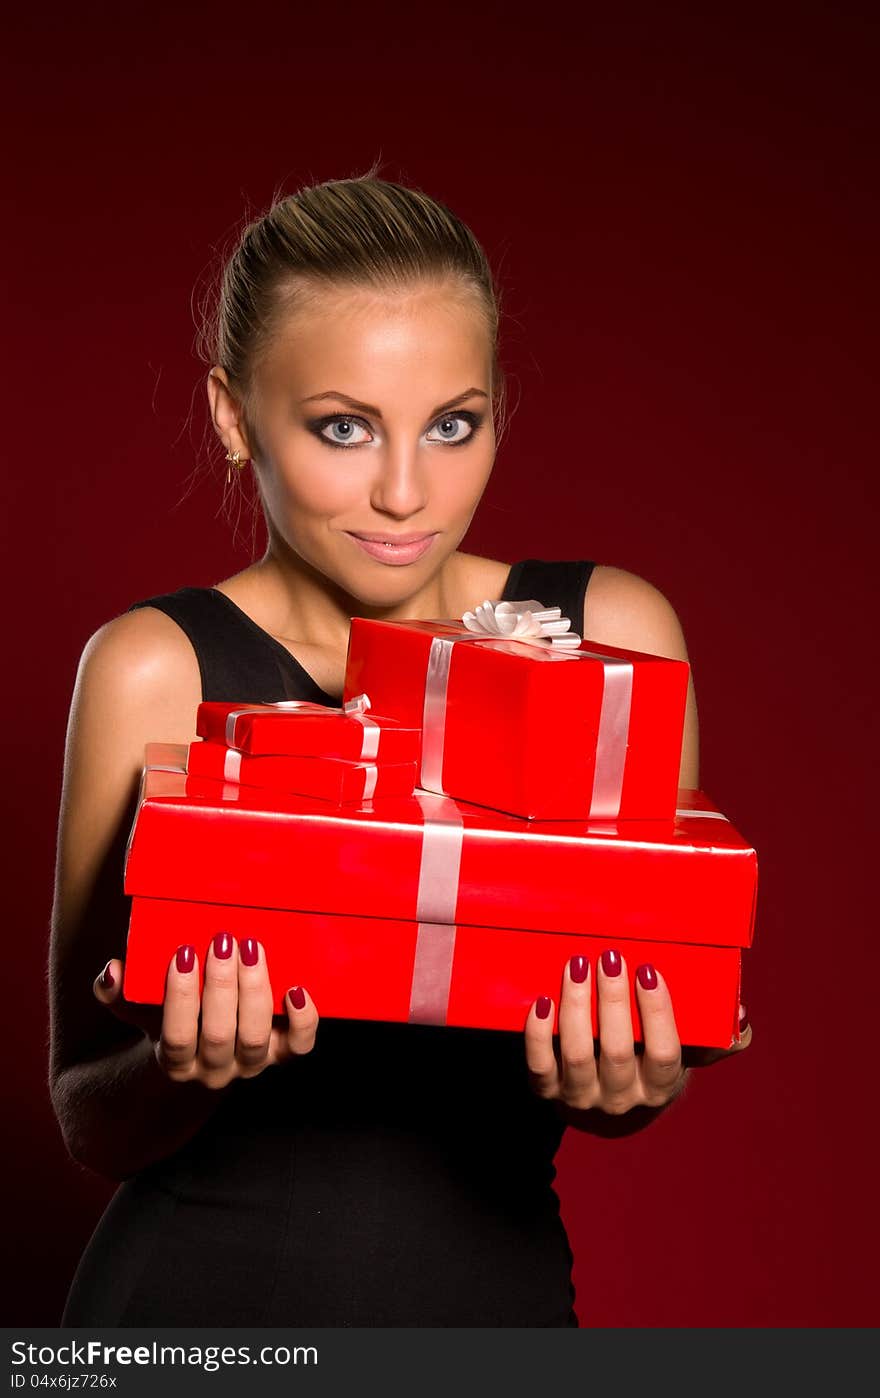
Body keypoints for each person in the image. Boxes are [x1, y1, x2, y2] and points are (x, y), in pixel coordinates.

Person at [49, 168, 751, 1327]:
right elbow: (86, 1110)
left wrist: (627, 1080)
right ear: (231, 415)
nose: (404, 493)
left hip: (487, 1305)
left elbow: (631, 1077)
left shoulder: (608, 641)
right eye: (342, 428)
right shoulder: (151, 667)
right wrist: (189, 1065)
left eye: (452, 425)